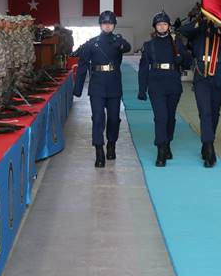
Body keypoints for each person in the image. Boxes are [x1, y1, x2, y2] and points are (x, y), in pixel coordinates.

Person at [73, 10, 131, 168]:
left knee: (113, 119)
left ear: (114, 25)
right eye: (105, 23)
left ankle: (111, 143)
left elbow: (127, 47)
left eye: (110, 23)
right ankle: (99, 150)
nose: (107, 25)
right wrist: (77, 89)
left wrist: (120, 43)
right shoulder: (92, 43)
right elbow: (83, 65)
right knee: (98, 118)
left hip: (113, 84)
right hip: (97, 84)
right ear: (100, 24)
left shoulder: (118, 41)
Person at [180, 16, 221, 167]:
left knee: (214, 112)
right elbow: (183, 30)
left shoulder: (220, 29)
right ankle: (209, 147)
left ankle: (206, 142)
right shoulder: (198, 29)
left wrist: (218, 27)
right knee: (204, 112)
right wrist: (201, 23)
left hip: (217, 72)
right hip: (202, 72)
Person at [137, 11, 191, 167]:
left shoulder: (177, 42)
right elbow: (143, 69)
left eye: (164, 24)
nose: (162, 27)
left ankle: (167, 143)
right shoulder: (149, 45)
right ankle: (161, 149)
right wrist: (142, 89)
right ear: (155, 27)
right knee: (160, 117)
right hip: (156, 85)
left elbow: (187, 63)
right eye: (159, 24)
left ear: (169, 26)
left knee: (170, 117)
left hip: (173, 84)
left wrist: (182, 56)